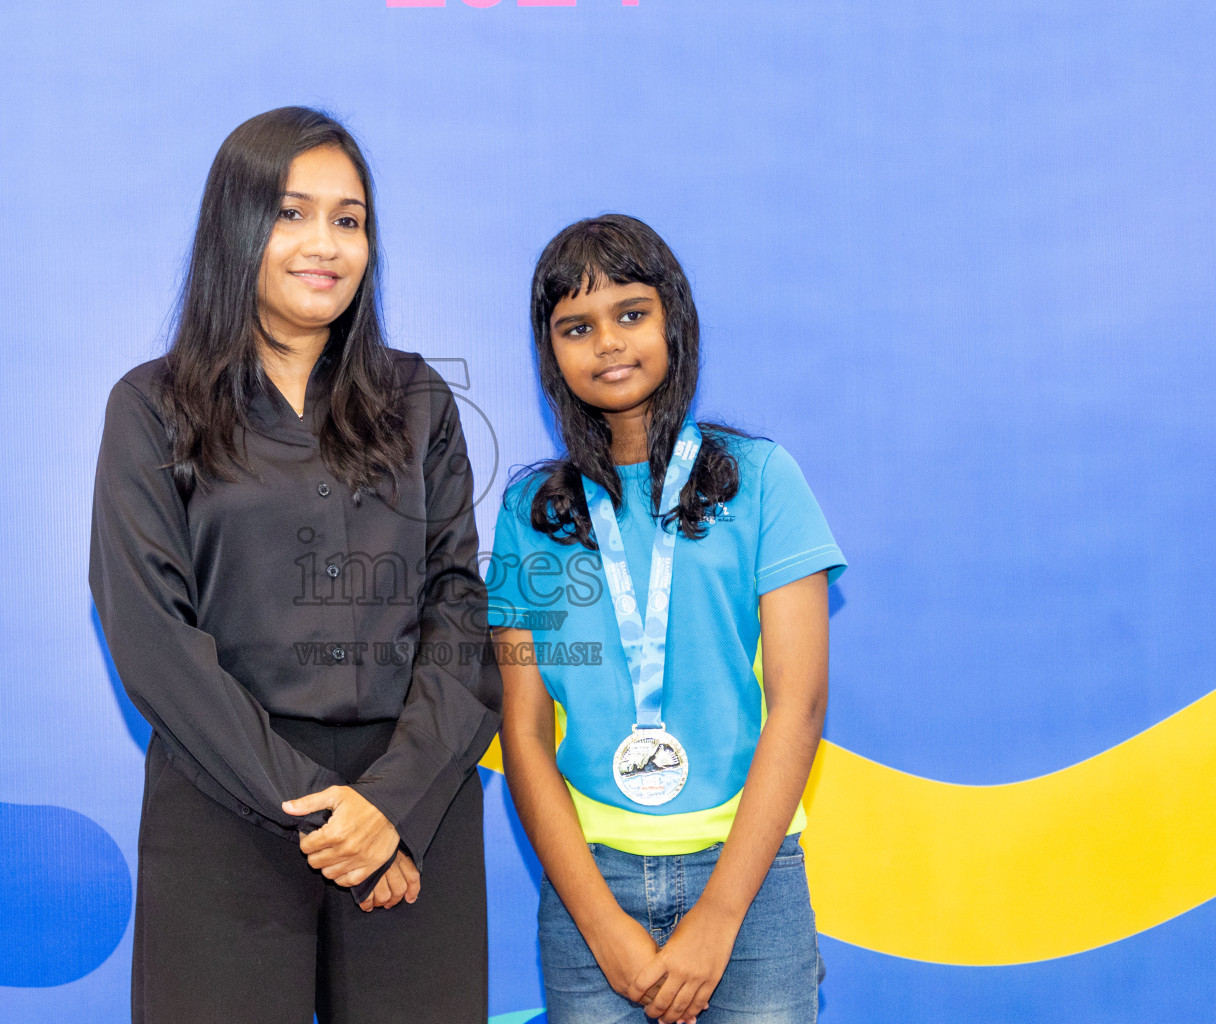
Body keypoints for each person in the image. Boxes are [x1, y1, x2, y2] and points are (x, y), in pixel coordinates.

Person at [89, 106, 500, 1024]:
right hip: (224, 801)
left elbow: (459, 612)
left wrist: (388, 808)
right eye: (291, 212)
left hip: (412, 810)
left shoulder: (419, 398)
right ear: (235, 228)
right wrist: (327, 809)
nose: (326, 244)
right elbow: (149, 633)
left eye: (348, 220)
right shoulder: (152, 406)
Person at [489, 215, 843, 1024]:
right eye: (577, 327)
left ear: (674, 322)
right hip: (591, 886)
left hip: (750, 880)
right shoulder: (527, 513)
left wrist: (719, 918)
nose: (608, 342)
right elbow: (524, 725)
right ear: (551, 353)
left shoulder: (761, 480)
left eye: (632, 313)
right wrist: (599, 923)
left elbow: (801, 703)